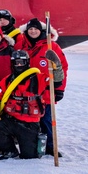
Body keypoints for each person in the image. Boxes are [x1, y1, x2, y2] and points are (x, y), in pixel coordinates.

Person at [15, 18, 68, 156]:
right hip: (26, 91)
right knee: (28, 119)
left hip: (45, 91)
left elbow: (62, 68)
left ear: (41, 30)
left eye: (36, 29)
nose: (33, 31)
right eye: (30, 29)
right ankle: (30, 145)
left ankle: (50, 146)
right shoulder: (21, 46)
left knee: (46, 120)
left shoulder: (51, 46)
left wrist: (59, 89)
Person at [0, 50, 48, 159]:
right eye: (16, 62)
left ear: (27, 62)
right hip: (11, 120)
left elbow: (55, 82)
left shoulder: (39, 78)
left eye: (21, 62)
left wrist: (57, 68)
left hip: (30, 124)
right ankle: (10, 150)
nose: (19, 65)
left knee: (29, 157)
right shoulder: (7, 80)